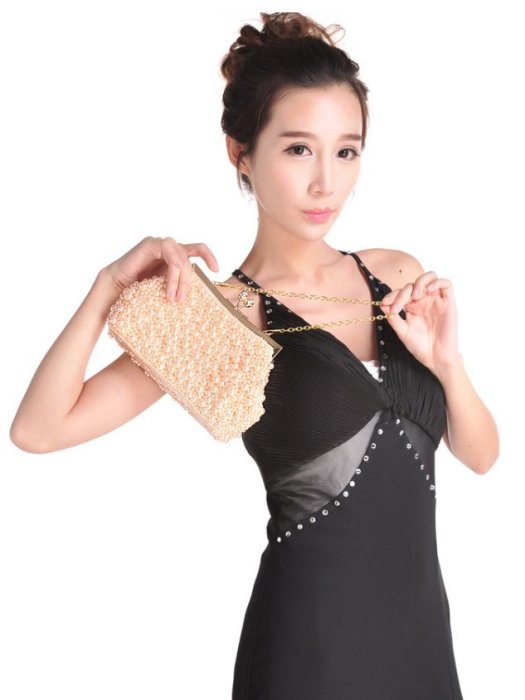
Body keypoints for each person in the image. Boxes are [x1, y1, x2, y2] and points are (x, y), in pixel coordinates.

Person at [10, 11, 498, 699]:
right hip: (306, 655)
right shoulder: (221, 317)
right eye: (298, 149)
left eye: (346, 152)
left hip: (420, 646)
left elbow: (480, 456)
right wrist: (106, 288)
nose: (326, 183)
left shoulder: (396, 273)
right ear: (240, 152)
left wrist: (447, 363)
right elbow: (38, 429)